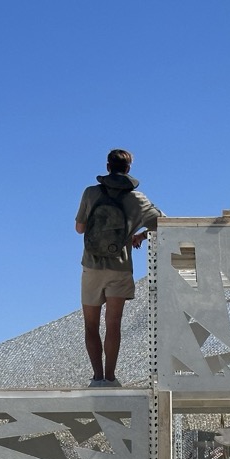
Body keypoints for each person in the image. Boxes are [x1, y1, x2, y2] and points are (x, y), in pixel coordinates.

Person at [75, 149, 163, 387]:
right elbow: (164, 223)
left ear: (107, 166)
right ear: (128, 169)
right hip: (120, 267)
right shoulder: (138, 199)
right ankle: (111, 378)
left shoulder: (91, 192)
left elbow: (80, 228)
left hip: (92, 265)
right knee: (113, 323)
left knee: (91, 324)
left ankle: (97, 377)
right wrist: (140, 236)